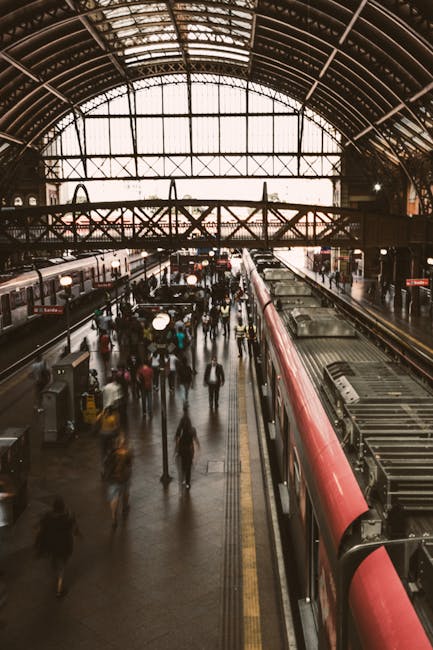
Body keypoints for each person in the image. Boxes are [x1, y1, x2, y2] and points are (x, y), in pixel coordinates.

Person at [34, 496, 81, 597]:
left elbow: (40, 526)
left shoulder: (48, 516)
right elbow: (75, 529)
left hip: (51, 544)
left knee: (56, 560)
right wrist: (79, 534)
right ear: (63, 507)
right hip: (64, 545)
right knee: (62, 567)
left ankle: (55, 566)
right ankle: (59, 590)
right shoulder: (68, 517)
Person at [104, 433, 133, 529]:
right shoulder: (127, 453)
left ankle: (113, 517)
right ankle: (125, 507)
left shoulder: (112, 453)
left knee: (114, 498)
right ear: (124, 444)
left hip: (113, 479)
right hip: (124, 478)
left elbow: (106, 464)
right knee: (125, 492)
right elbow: (130, 464)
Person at [175, 406, 199, 489]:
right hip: (189, 450)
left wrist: (177, 448)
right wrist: (198, 447)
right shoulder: (192, 430)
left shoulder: (181, 429)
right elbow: (196, 440)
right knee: (188, 466)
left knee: (183, 465)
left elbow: (177, 438)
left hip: (182, 449)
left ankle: (183, 479)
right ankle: (188, 483)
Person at [94, 404, 121, 474]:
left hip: (102, 434)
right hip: (110, 435)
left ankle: (103, 466)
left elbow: (96, 419)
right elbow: (115, 427)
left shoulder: (103, 414)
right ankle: (112, 464)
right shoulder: (114, 416)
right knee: (112, 449)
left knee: (103, 451)